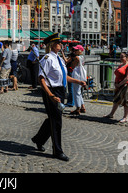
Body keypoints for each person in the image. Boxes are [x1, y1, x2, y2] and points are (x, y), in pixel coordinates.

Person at [31, 33, 87, 162]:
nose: (61, 45)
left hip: (61, 91)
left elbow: (63, 76)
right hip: (51, 92)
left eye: (61, 43)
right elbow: (41, 79)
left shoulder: (59, 59)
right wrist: (50, 95)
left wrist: (78, 81)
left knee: (53, 118)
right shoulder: (47, 58)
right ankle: (57, 151)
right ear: (52, 45)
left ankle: (38, 139)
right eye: (58, 43)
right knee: (57, 121)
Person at [104, 52, 128, 123]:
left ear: (127, 58)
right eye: (120, 57)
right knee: (116, 100)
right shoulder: (121, 65)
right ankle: (111, 114)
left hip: (125, 86)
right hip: (118, 86)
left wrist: (119, 84)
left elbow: (127, 78)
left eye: (122, 57)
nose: (121, 58)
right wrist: (116, 84)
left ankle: (125, 117)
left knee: (125, 102)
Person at [67, 45, 87, 115]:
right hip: (82, 75)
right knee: (79, 92)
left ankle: (77, 108)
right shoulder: (82, 57)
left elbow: (72, 66)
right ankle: (82, 106)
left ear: (80, 50)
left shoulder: (76, 58)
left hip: (77, 75)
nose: (75, 51)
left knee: (76, 92)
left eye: (76, 50)